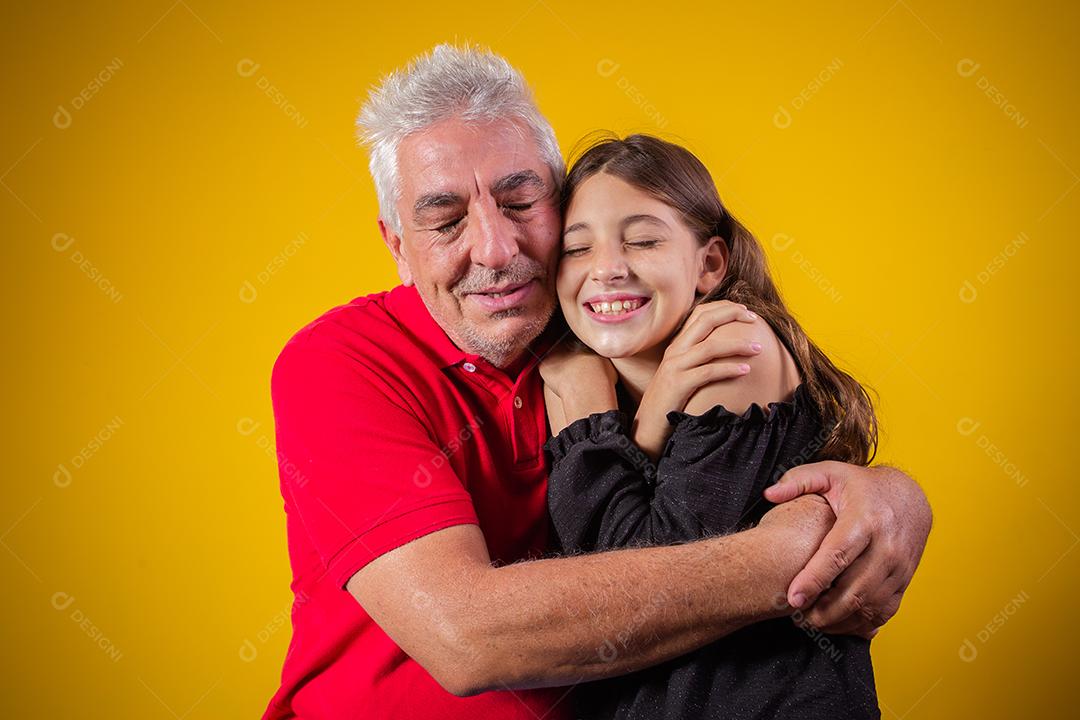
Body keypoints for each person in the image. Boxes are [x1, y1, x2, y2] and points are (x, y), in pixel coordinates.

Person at [262, 45, 932, 719]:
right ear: (397, 247)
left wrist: (890, 495)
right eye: (445, 221)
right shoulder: (341, 364)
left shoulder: (617, 333)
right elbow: (467, 638)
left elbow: (742, 455)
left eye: (521, 201)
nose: (496, 249)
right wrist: (792, 550)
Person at [540, 134, 882, 718]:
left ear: (709, 264)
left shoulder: (733, 345)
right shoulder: (587, 375)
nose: (607, 269)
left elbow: (636, 589)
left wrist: (598, 428)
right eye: (576, 249)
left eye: (643, 240)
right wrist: (646, 419)